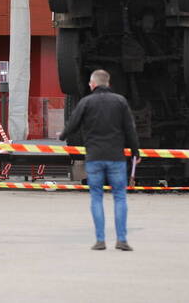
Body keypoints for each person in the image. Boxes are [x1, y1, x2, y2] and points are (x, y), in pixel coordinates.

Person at [59, 69, 140, 252]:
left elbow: (73, 124)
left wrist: (63, 135)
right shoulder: (120, 102)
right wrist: (135, 152)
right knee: (120, 197)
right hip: (116, 158)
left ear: (93, 84)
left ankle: (100, 240)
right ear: (108, 83)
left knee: (96, 198)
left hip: (94, 158)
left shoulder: (86, 102)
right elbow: (130, 129)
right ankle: (121, 240)